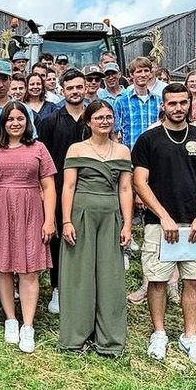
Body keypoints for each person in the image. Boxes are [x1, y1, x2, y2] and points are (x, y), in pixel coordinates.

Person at [132, 83, 196, 367]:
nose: (178, 108)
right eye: (172, 103)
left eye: (183, 102)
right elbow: (140, 182)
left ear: (190, 103)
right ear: (163, 105)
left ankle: (190, 336)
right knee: (157, 281)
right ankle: (159, 333)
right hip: (159, 225)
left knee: (193, 281)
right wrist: (163, 215)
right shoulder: (149, 139)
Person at [57, 98, 132, 355]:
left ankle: (109, 340)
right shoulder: (76, 149)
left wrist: (127, 224)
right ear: (88, 122)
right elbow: (68, 187)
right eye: (99, 117)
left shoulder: (122, 151)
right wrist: (66, 220)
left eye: (108, 117)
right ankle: (75, 336)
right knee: (79, 275)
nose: (104, 121)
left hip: (110, 216)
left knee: (110, 276)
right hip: (81, 215)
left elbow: (125, 188)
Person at [0, 103, 56, 353]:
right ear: (2, 123)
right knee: (4, 266)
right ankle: (10, 319)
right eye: (10, 119)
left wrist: (49, 219)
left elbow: (49, 186)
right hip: (1, 209)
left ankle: (27, 325)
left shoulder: (38, 148)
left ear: (27, 122)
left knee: (29, 269)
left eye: (20, 118)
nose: (15, 123)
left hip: (30, 210)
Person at [38, 68, 90, 316]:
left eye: (79, 87)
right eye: (70, 88)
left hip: (89, 188)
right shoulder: (50, 121)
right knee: (58, 239)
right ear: (62, 90)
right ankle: (58, 288)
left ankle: (83, 288)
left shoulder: (94, 119)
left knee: (86, 238)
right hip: (58, 189)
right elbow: (43, 160)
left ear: (85, 88)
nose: (75, 91)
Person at [113, 58, 163, 148]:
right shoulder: (121, 101)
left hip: (154, 151)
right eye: (139, 71)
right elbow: (114, 133)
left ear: (150, 73)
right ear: (131, 74)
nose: (143, 75)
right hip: (130, 151)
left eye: (146, 71)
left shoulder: (158, 101)